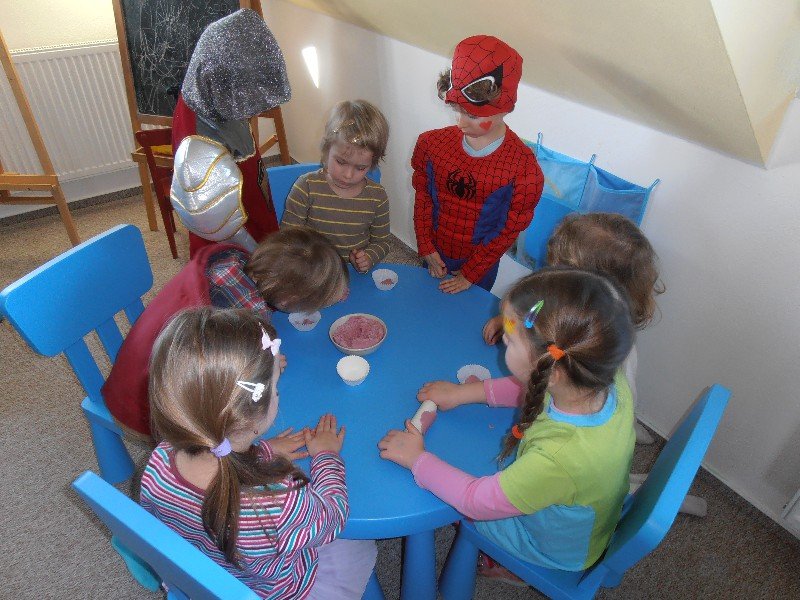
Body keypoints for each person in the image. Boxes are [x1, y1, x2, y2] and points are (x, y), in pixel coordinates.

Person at [379, 268, 635, 581]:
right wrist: (462, 393)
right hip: (585, 510)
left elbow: (475, 501)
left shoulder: (557, 459)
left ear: (551, 373)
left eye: (511, 339)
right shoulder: (598, 375)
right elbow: (533, 385)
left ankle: (513, 565)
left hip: (553, 546)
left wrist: (416, 459)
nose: (503, 338)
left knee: (448, 502)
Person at [141, 308, 376, 599]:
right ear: (250, 418)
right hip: (276, 591)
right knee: (359, 545)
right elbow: (332, 518)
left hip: (210, 581)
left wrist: (262, 450)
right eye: (275, 389)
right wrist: (327, 456)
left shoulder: (158, 462)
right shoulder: (280, 499)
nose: (277, 394)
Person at [102, 227, 349, 437]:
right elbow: (231, 385)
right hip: (143, 408)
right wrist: (264, 364)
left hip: (129, 373)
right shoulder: (243, 321)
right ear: (288, 300)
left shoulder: (234, 260)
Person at [482, 212, 664, 444]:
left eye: (557, 272)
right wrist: (510, 321)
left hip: (588, 425)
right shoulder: (585, 311)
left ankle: (634, 432)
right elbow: (545, 309)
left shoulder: (604, 356)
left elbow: (616, 405)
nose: (549, 279)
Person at [412, 35, 544, 293]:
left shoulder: (523, 170)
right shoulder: (432, 145)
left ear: (504, 109)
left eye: (472, 115)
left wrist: (471, 273)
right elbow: (424, 197)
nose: (460, 123)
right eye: (457, 111)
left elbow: (507, 230)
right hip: (433, 254)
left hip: (478, 269)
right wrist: (425, 245)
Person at [171, 9, 291, 256]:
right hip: (233, 246)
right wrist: (261, 259)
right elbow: (216, 221)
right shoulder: (197, 143)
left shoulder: (214, 95)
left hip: (251, 199)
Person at [280, 100, 391, 273]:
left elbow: (382, 242)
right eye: (341, 162)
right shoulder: (306, 187)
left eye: (360, 168)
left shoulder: (378, 197)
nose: (348, 175)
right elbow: (288, 236)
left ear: (372, 164)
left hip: (353, 273)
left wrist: (369, 257)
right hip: (313, 269)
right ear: (326, 150)